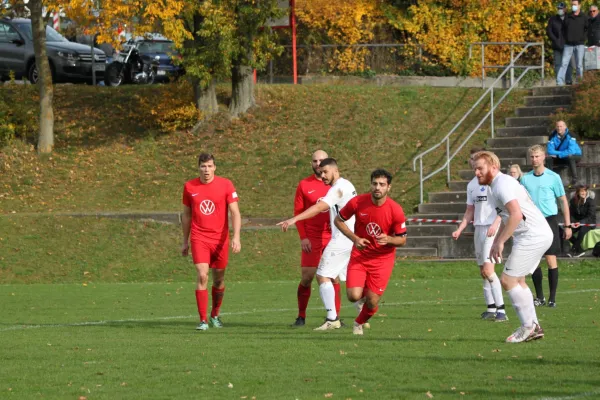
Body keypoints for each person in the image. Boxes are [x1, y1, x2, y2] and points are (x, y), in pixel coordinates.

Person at [472, 151, 552, 343]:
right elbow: (508, 217)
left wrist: (500, 242)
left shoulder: (502, 184)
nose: (476, 173)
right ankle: (533, 325)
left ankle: (528, 327)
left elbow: (515, 215)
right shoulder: (495, 186)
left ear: (493, 167)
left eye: (480, 168)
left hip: (532, 235)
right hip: (534, 234)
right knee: (519, 281)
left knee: (507, 280)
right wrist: (498, 239)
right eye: (474, 169)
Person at [278, 158, 357, 330]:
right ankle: (364, 313)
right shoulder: (348, 184)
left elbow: (319, 207)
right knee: (348, 281)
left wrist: (294, 219)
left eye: (325, 172)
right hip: (350, 238)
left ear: (336, 171)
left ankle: (332, 318)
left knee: (322, 275)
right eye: (320, 173)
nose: (322, 176)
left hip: (341, 239)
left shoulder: (337, 189)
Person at [333, 169, 408, 336]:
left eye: (382, 184)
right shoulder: (358, 202)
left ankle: (359, 322)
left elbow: (402, 240)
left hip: (382, 260)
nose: (377, 188)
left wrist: (389, 239)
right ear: (370, 184)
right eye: (374, 183)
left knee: (372, 301)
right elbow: (338, 220)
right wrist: (355, 239)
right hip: (360, 256)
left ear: (389, 187)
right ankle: (362, 297)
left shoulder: (395, 210)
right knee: (353, 296)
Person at [181, 153, 242, 331]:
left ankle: (215, 314)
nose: (206, 170)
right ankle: (203, 320)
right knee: (202, 275)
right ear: (198, 167)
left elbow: (235, 213)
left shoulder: (226, 184)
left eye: (209, 166)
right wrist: (185, 241)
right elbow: (186, 215)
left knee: (218, 280)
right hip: (199, 237)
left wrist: (236, 237)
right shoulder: (189, 186)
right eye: (203, 166)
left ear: (214, 167)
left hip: (220, 239)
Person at [453, 149, 507, 322]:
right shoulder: (471, 185)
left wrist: (496, 223)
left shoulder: (494, 183)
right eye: (471, 160)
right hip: (478, 229)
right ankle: (490, 307)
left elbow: (502, 208)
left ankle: (502, 310)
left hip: (491, 229)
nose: (473, 163)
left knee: (488, 270)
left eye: (476, 160)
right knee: (482, 271)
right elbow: (470, 210)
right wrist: (460, 229)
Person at [521, 144, 573, 308]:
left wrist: (567, 225)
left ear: (544, 157)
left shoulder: (553, 177)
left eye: (537, 156)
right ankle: (540, 297)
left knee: (551, 259)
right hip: (532, 221)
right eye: (532, 156)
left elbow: (563, 201)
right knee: (534, 261)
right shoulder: (525, 179)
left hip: (549, 220)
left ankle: (552, 298)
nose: (534, 159)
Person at [290, 150, 333, 327]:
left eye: (321, 160)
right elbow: (298, 214)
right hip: (312, 238)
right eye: (314, 161)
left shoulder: (336, 184)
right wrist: (303, 237)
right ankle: (301, 316)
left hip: (332, 237)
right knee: (307, 277)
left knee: (333, 277)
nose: (318, 164)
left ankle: (334, 317)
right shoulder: (304, 184)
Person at [557, 0, 588, 85]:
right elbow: (563, 29)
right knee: (564, 63)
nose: (573, 6)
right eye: (572, 5)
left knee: (579, 65)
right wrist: (566, 39)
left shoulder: (584, 17)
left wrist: (583, 38)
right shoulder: (568, 17)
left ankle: (579, 82)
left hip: (580, 44)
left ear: (579, 5)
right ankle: (559, 82)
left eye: (575, 4)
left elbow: (587, 29)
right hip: (568, 44)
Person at [546, 120, 582, 185]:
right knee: (548, 158)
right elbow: (550, 151)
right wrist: (561, 154)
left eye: (561, 126)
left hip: (575, 155)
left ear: (565, 127)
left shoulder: (571, 135)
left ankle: (574, 178)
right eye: (557, 126)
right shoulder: (552, 136)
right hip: (562, 156)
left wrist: (558, 155)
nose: (559, 128)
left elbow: (571, 151)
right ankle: (549, 178)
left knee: (570, 156)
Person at [548, 2, 574, 85]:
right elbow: (549, 31)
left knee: (568, 64)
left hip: (568, 45)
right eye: (558, 8)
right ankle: (559, 82)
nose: (560, 10)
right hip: (557, 45)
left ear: (565, 9)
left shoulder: (569, 18)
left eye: (561, 8)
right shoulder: (553, 19)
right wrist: (555, 39)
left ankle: (568, 80)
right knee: (558, 64)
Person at [569, 184, 597, 256]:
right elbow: (571, 214)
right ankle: (580, 250)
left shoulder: (591, 201)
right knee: (567, 232)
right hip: (577, 222)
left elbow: (591, 216)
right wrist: (572, 222)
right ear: (577, 192)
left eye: (585, 191)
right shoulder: (573, 201)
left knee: (582, 230)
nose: (583, 193)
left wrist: (581, 222)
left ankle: (573, 250)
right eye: (581, 191)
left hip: (589, 222)